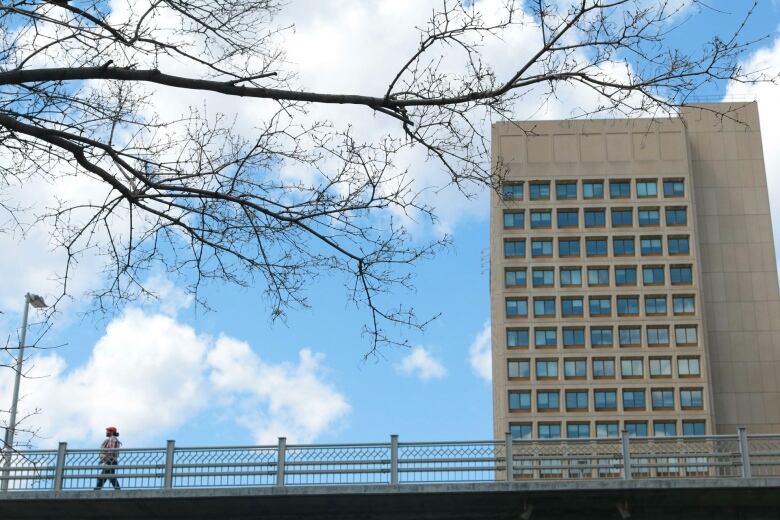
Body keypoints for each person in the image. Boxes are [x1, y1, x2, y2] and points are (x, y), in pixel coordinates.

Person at [94, 426, 122, 490]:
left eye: (108, 431)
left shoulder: (112, 439)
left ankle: (96, 491)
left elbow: (111, 450)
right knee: (107, 476)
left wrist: (105, 458)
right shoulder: (113, 439)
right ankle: (97, 490)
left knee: (106, 477)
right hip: (111, 460)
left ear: (111, 432)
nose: (106, 433)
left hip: (110, 461)